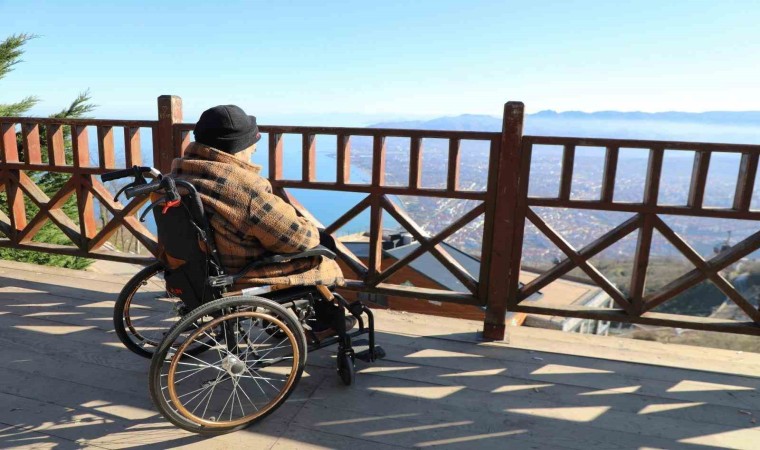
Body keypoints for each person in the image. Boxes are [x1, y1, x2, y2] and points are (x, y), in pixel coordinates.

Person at [171, 104, 353, 340]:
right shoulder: (243, 189)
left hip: (194, 268)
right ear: (236, 149)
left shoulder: (178, 176)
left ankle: (286, 319)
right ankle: (325, 322)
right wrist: (310, 229)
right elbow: (298, 239)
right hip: (239, 273)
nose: (253, 151)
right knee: (322, 246)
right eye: (251, 147)